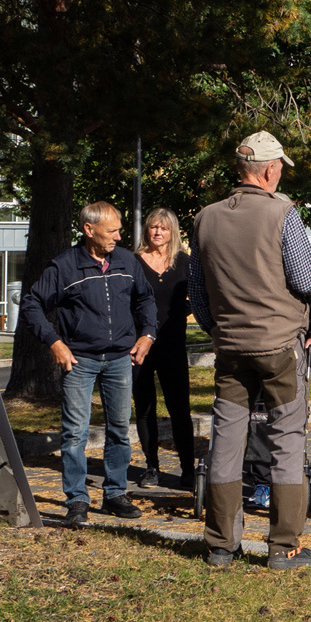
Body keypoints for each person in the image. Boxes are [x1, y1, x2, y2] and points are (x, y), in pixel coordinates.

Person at [189, 131, 311, 569]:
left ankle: (220, 545)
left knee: (227, 439)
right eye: (281, 167)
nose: (281, 172)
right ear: (269, 171)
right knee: (286, 438)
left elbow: (197, 292)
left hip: (230, 347)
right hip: (279, 346)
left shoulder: (205, 218)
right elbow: (306, 282)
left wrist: (219, 329)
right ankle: (284, 546)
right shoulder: (282, 213)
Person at [18, 201, 157, 527]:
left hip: (121, 360)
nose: (118, 237)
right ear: (88, 229)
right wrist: (55, 343)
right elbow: (33, 304)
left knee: (120, 432)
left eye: (119, 230)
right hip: (79, 362)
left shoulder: (126, 261)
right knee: (75, 435)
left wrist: (148, 334)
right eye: (112, 231)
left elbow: (145, 298)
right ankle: (77, 501)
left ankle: (114, 494)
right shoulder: (64, 267)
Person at [131, 208, 196, 490]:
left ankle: (188, 469)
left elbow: (200, 296)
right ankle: (151, 467)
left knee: (179, 408)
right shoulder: (132, 261)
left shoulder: (185, 262)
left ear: (173, 232)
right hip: (139, 345)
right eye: (153, 227)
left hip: (172, 344)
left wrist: (184, 311)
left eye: (164, 228)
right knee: (144, 408)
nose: (158, 233)